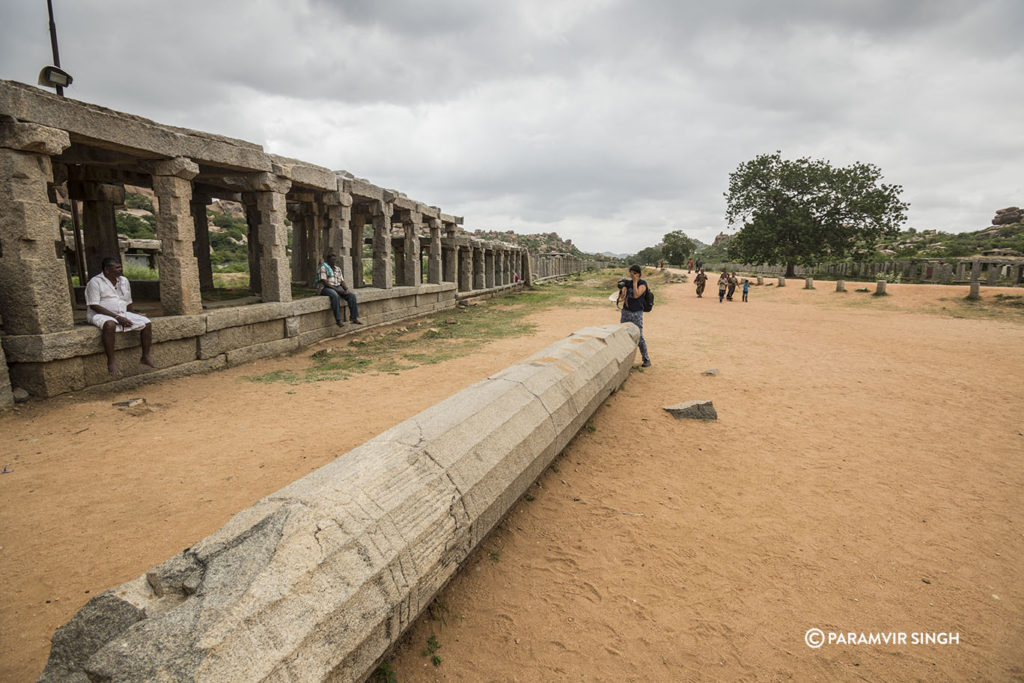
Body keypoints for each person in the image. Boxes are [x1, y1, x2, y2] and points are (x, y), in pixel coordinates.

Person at [85, 257, 157, 377]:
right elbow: (94, 305)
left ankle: (145, 356)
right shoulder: (95, 282)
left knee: (147, 323)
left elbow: (128, 301)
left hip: (121, 313)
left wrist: (132, 315)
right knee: (110, 325)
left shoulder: (123, 280)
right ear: (107, 270)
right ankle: (111, 362)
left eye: (120, 267)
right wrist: (118, 318)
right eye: (117, 268)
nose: (120, 270)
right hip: (100, 315)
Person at [617, 264, 651, 367]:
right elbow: (622, 298)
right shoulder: (628, 283)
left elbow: (636, 295)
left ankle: (646, 359)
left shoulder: (642, 284)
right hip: (626, 312)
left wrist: (635, 282)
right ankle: (625, 359)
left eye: (634, 273)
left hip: (636, 314)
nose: (632, 275)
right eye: (631, 273)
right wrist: (623, 288)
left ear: (638, 274)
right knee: (624, 335)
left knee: (639, 337)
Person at [317, 252, 362, 327]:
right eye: (332, 260)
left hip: (337, 286)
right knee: (335, 296)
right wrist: (337, 291)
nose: (333, 261)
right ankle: (338, 320)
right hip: (326, 288)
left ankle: (354, 318)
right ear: (328, 260)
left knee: (351, 295)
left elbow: (342, 281)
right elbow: (325, 282)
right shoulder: (323, 267)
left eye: (334, 260)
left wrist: (346, 289)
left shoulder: (338, 269)